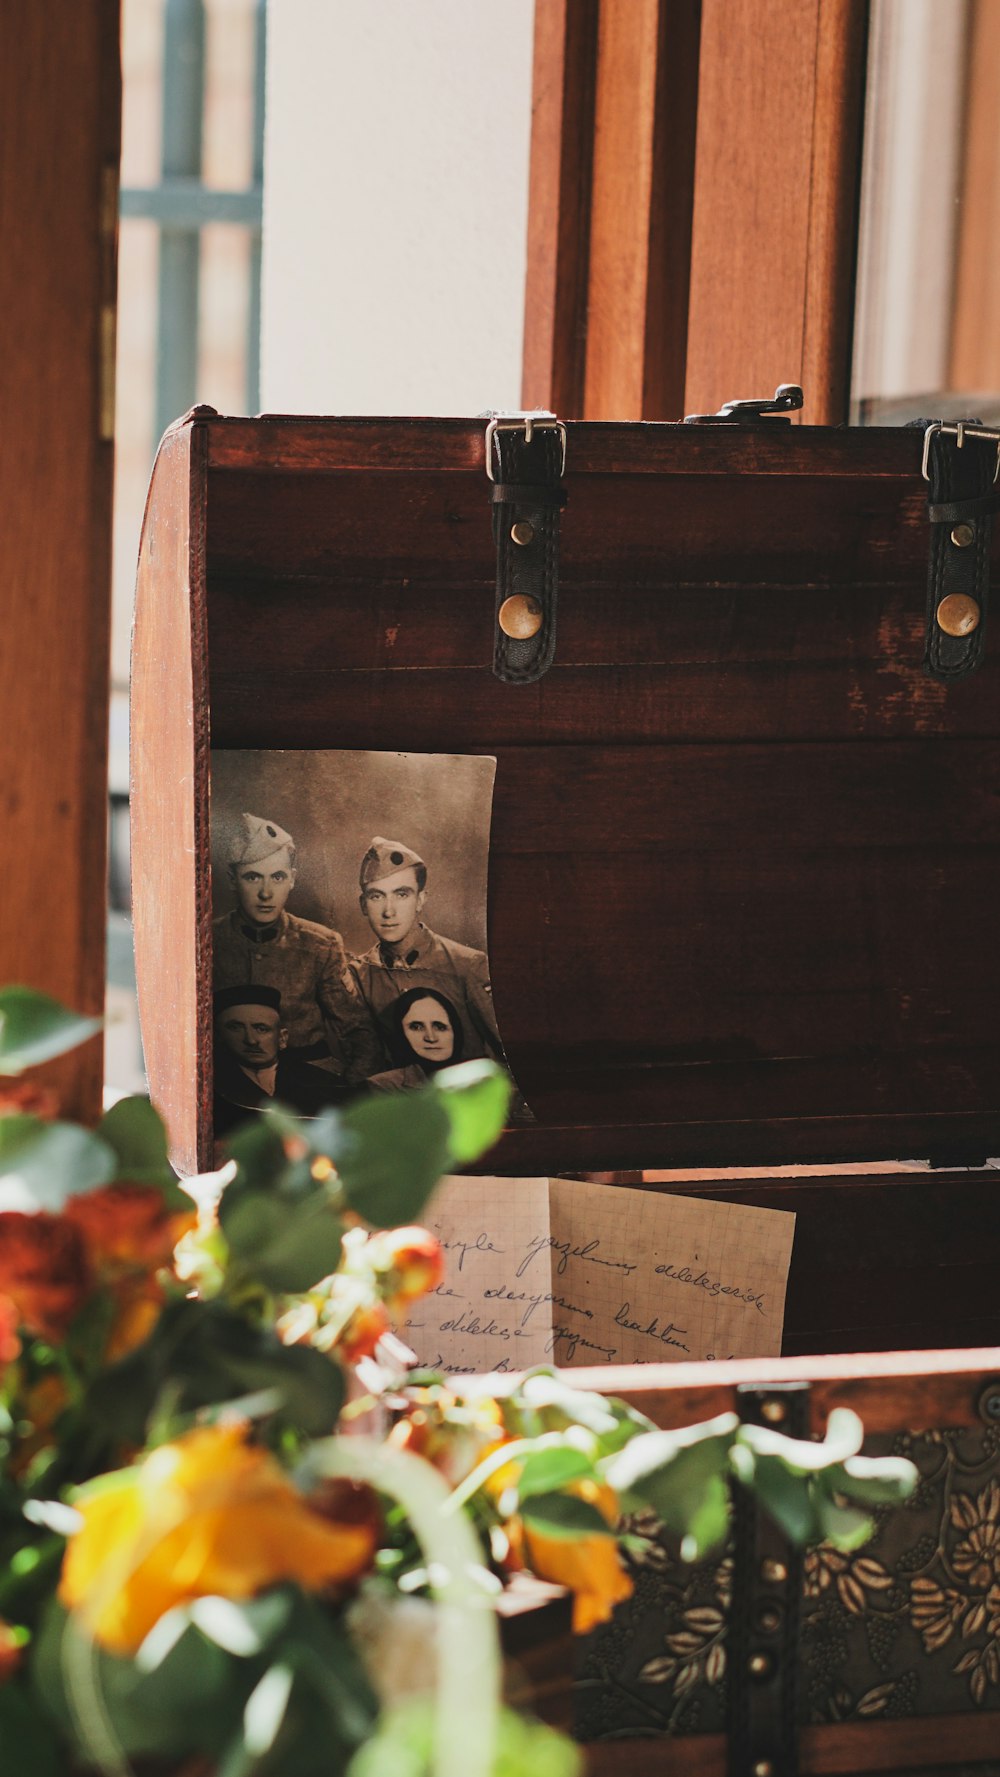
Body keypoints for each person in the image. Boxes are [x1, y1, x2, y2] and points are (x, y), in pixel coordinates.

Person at [213, 812, 381, 1086]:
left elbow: (360, 1032)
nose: (266, 893)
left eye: (277, 877)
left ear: (292, 879)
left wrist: (345, 1093)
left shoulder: (320, 944)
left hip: (308, 1083)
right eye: (253, 878)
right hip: (230, 1086)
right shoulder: (210, 941)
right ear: (233, 880)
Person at [349, 835, 503, 1070]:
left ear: (421, 900)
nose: (388, 911)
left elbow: (511, 1058)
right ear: (363, 905)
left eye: (402, 894)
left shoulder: (467, 965)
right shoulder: (359, 975)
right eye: (377, 896)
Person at [212, 985, 352, 1133]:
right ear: (219, 1037)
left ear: (282, 1038)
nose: (251, 1040)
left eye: (261, 1029)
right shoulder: (211, 1091)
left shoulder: (324, 1082)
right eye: (235, 1028)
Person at [368, 987, 465, 1093]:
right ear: (401, 1033)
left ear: (455, 1031)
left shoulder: (479, 1080)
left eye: (439, 1027)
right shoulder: (385, 1085)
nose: (431, 1038)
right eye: (417, 1027)